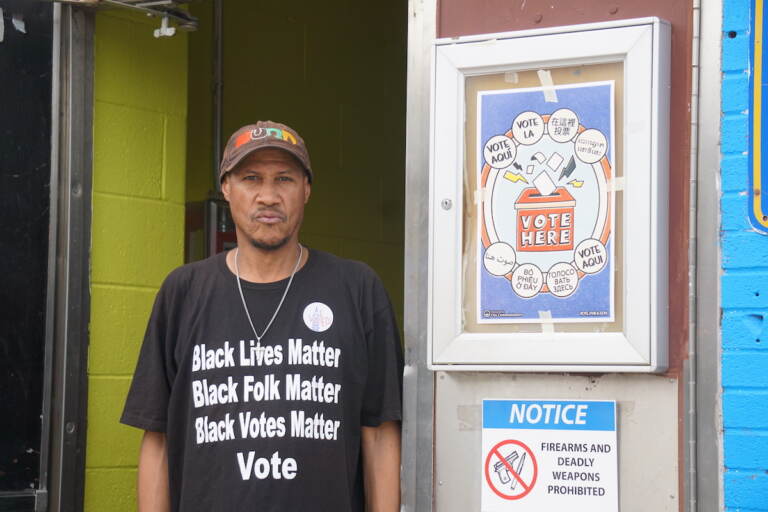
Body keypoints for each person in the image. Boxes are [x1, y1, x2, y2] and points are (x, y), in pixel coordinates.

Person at [120, 121, 404, 511]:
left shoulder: (357, 288)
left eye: (284, 179)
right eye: (251, 178)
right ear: (226, 188)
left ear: (306, 190)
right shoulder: (183, 293)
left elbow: (380, 434)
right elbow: (158, 438)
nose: (268, 196)